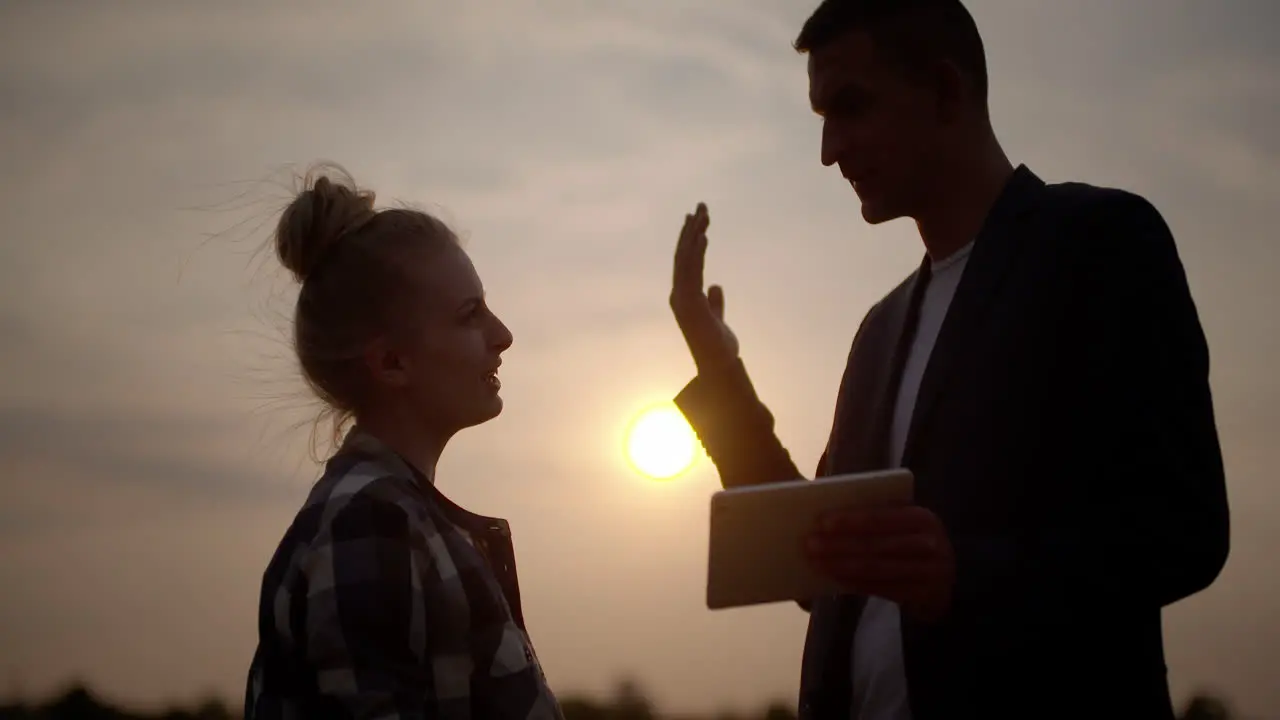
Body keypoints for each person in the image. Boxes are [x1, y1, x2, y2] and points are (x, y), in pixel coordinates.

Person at [667, 1, 1229, 718]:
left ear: (946, 90)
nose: (828, 149)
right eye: (820, 118)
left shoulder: (1099, 243)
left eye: (851, 106)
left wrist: (968, 574)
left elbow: (1187, 530)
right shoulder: (880, 329)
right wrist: (719, 375)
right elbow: (824, 569)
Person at [243, 165, 563, 719]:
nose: (503, 335)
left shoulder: (395, 519)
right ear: (391, 362)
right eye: (470, 314)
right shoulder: (367, 525)